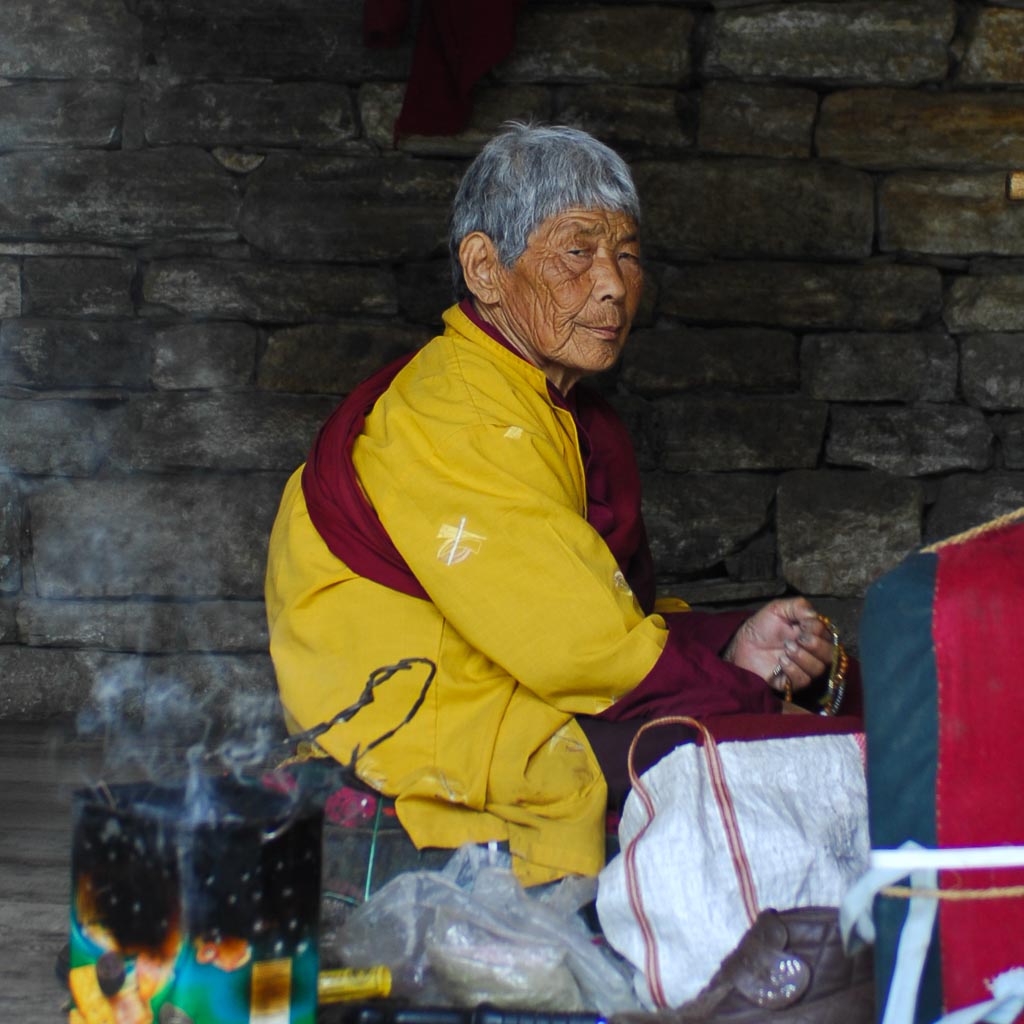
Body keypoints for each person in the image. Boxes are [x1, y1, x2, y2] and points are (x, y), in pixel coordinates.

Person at [265, 123, 845, 887]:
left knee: (829, 695)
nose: (611, 283)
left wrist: (731, 642)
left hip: (515, 667)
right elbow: (582, 649)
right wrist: (746, 694)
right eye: (578, 250)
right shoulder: (459, 410)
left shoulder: (550, 405)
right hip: (425, 710)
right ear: (485, 268)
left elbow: (587, 608)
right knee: (791, 750)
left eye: (627, 254)